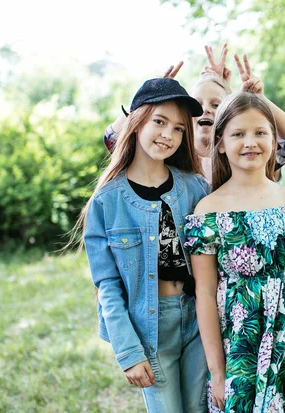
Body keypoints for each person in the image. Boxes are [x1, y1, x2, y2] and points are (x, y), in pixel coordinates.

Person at [184, 92, 285, 412]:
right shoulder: (207, 211)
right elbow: (204, 293)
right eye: (238, 134)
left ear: (275, 141)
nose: (250, 142)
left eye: (260, 132)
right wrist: (218, 373)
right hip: (237, 352)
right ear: (220, 143)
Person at [77, 77, 210, 412]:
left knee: (201, 408)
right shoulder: (107, 201)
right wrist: (129, 353)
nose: (168, 135)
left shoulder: (196, 188)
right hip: (149, 329)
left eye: (179, 128)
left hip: (199, 319)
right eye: (159, 122)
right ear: (136, 123)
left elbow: (239, 207)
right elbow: (107, 285)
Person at [104, 44, 285, 184]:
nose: (207, 109)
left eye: (216, 104)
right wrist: (147, 99)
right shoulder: (172, 153)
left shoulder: (241, 157)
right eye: (198, 104)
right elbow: (113, 140)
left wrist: (259, 99)